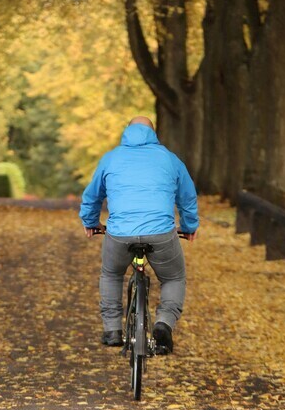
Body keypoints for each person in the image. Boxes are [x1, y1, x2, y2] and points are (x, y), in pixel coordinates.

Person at [79, 116, 198, 355]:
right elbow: (187, 197)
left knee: (112, 274)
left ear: (126, 132)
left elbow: (92, 196)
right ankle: (163, 325)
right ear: (153, 134)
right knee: (173, 278)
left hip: (119, 234)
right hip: (161, 233)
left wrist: (91, 223)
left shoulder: (111, 158)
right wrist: (188, 226)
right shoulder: (170, 159)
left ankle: (112, 330)